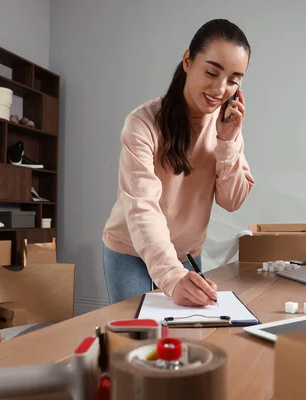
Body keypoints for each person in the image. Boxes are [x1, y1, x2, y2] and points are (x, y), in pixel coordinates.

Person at [102, 18, 255, 307]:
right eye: (211, 72)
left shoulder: (226, 125)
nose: (221, 89)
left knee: (185, 343)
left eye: (234, 80)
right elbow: (142, 208)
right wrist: (171, 275)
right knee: (135, 341)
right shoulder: (142, 124)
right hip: (129, 250)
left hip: (186, 255)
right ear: (187, 60)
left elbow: (232, 200)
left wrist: (228, 142)